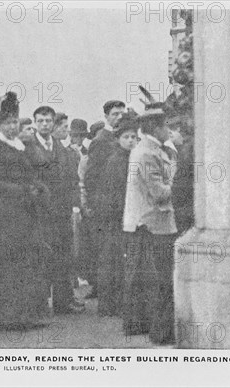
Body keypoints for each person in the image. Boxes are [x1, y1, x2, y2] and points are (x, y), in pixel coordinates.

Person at [0, 92, 49, 329]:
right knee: (3, 264)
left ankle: (22, 315)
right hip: (2, 214)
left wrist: (37, 187)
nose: (12, 127)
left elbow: (33, 172)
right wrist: (20, 191)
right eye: (7, 123)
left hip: (24, 214)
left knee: (23, 263)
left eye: (14, 122)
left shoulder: (23, 146)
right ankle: (0, 317)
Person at [122, 105, 177, 345]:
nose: (170, 130)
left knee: (150, 280)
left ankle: (150, 327)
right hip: (153, 224)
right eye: (167, 126)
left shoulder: (148, 149)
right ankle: (160, 331)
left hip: (151, 223)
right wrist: (179, 178)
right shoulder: (146, 153)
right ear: (157, 128)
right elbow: (159, 193)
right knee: (160, 282)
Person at [24, 106, 83, 315]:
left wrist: (75, 204)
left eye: (48, 121)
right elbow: (28, 179)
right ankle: (39, 304)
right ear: (35, 123)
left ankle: (63, 301)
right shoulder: (28, 148)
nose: (45, 125)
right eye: (40, 121)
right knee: (41, 256)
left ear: (53, 123)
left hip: (62, 211)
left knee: (63, 256)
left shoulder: (61, 148)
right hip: (40, 212)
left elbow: (72, 179)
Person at [83, 100, 127, 298]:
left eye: (121, 113)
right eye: (115, 114)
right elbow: (91, 176)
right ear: (106, 117)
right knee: (107, 251)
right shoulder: (101, 140)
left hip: (117, 202)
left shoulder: (120, 137)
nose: (118, 117)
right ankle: (107, 296)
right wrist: (95, 204)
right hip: (106, 204)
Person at [96, 118, 138, 316]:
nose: (130, 141)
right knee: (114, 261)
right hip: (115, 216)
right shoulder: (117, 160)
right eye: (126, 137)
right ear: (118, 139)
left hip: (122, 215)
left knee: (119, 261)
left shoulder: (130, 158)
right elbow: (115, 192)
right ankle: (111, 305)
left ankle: (116, 304)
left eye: (133, 137)